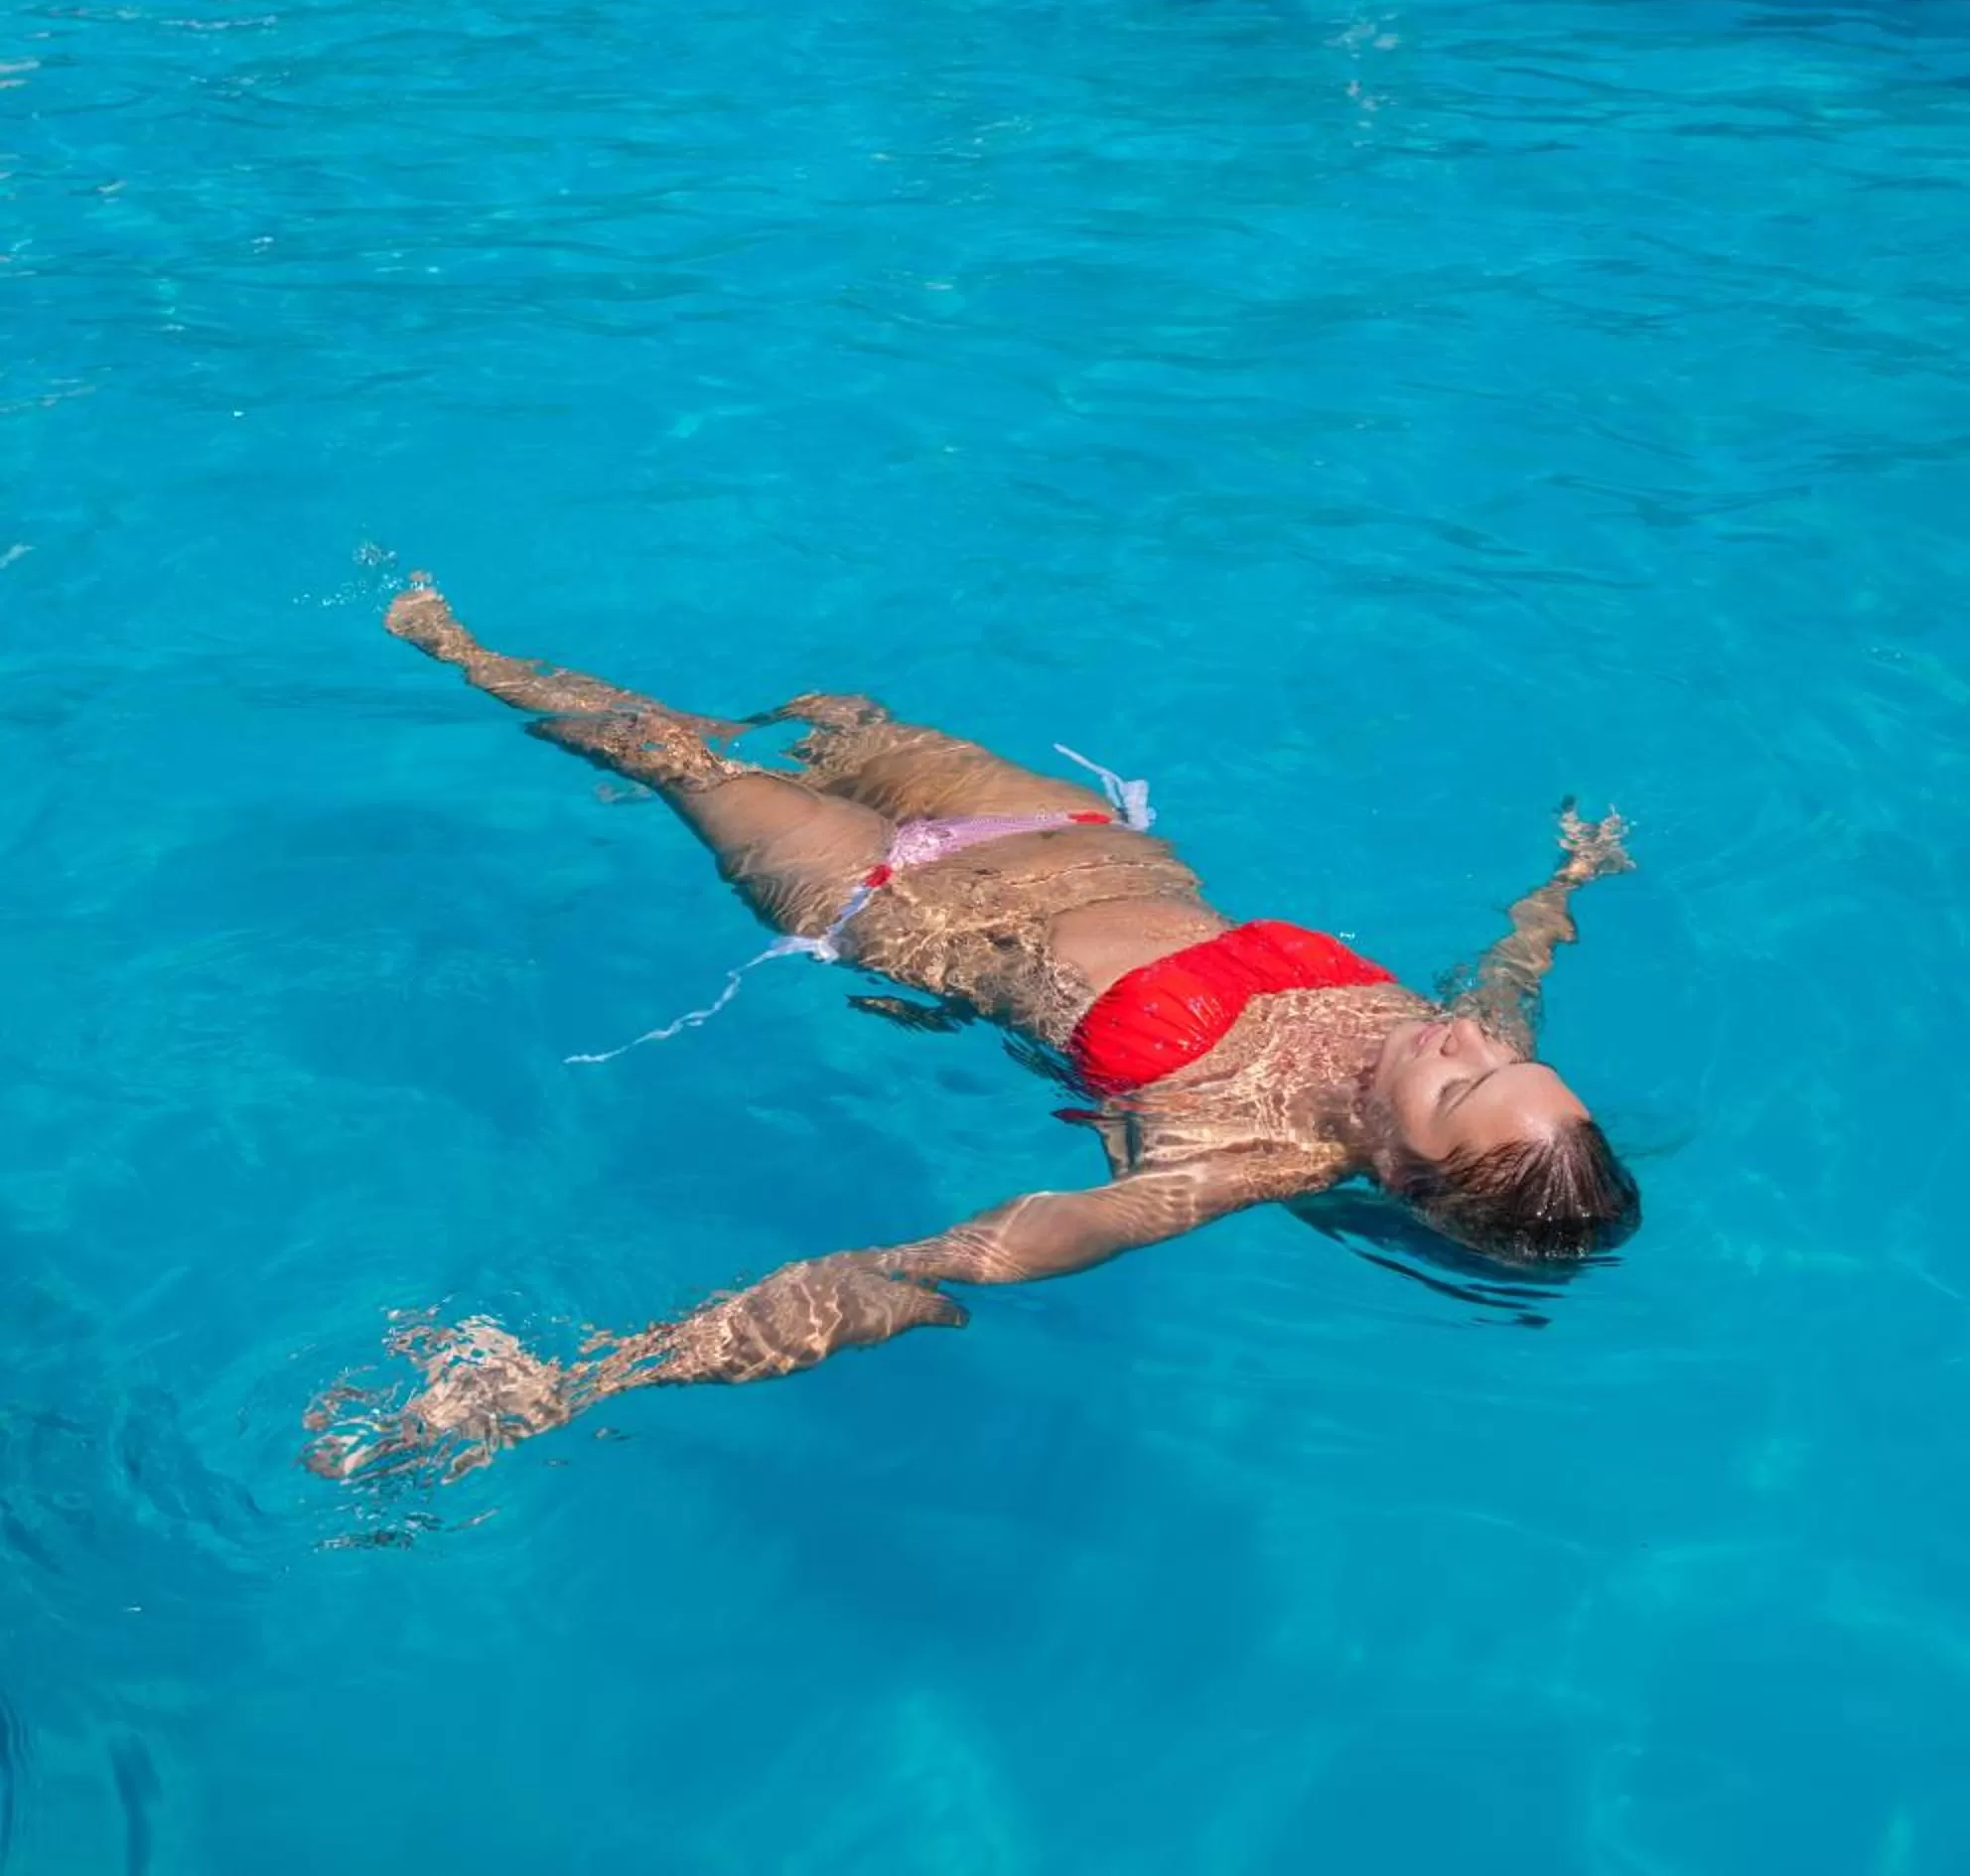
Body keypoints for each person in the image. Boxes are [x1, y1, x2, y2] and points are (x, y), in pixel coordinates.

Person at [306, 579, 1640, 1482]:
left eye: (1468, 1086)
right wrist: (1570, 882)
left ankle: (463, 652)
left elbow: (970, 1259)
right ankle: (759, 724)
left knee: (676, 760)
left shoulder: (1237, 1162)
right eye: (1508, 1060)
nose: (1471, 1044)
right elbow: (1516, 961)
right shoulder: (1458, 1034)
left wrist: (591, 1380)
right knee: (836, 714)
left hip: (885, 906)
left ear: (1402, 1176)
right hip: (1055, 823)